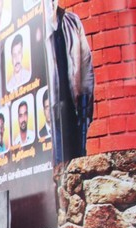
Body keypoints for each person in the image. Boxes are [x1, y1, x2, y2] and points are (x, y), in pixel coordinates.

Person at [44, 0, 94, 163]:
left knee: (78, 159)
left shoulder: (72, 21)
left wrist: (86, 103)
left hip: (75, 105)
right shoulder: (40, 27)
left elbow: (86, 64)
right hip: (54, 111)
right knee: (61, 165)